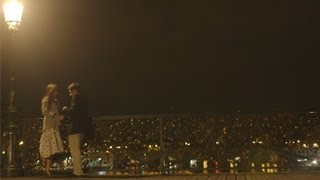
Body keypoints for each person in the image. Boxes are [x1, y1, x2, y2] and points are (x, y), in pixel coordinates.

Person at [62, 82, 88, 177]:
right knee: (78, 149)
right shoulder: (85, 99)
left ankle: (77, 171)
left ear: (74, 90)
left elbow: (73, 110)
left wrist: (65, 109)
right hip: (83, 127)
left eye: (70, 91)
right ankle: (79, 170)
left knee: (74, 150)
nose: (69, 93)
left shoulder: (75, 98)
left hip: (75, 128)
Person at [39, 83, 64, 176]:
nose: (56, 92)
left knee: (53, 149)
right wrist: (55, 115)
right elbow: (44, 111)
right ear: (51, 91)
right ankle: (44, 161)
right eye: (55, 90)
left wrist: (59, 117)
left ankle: (47, 169)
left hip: (55, 126)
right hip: (49, 126)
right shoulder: (45, 99)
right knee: (47, 147)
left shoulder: (55, 101)